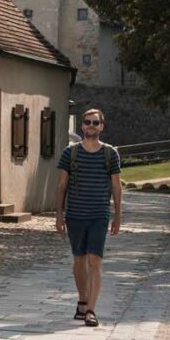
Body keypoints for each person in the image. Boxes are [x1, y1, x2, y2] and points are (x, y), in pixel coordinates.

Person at [55, 107, 122, 327]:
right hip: (75, 215)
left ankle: (91, 310)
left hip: (99, 215)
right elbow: (61, 185)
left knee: (95, 261)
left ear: (102, 126)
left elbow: (116, 185)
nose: (91, 126)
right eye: (87, 122)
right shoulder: (70, 153)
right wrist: (59, 215)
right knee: (79, 260)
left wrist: (118, 215)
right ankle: (82, 299)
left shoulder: (110, 153)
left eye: (95, 122)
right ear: (82, 125)